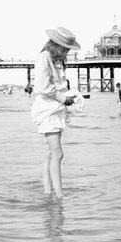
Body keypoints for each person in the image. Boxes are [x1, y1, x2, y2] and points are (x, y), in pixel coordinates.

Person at [31, 27, 80, 198]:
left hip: (56, 108)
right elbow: (43, 87)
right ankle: (59, 195)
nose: (67, 51)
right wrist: (63, 98)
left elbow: (57, 85)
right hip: (48, 109)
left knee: (50, 153)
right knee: (58, 153)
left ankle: (48, 192)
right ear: (57, 45)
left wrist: (68, 98)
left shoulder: (56, 59)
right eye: (65, 48)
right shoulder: (44, 57)